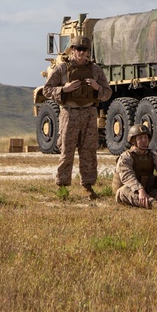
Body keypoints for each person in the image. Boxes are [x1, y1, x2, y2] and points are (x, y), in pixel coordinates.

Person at [42, 34, 113, 198]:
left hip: (89, 113)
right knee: (67, 151)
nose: (81, 53)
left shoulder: (95, 70)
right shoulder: (62, 69)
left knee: (88, 151)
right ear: (73, 50)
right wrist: (63, 90)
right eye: (78, 49)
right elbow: (47, 90)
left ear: (88, 52)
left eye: (84, 50)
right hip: (69, 112)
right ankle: (62, 186)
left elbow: (107, 93)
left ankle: (87, 186)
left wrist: (97, 88)